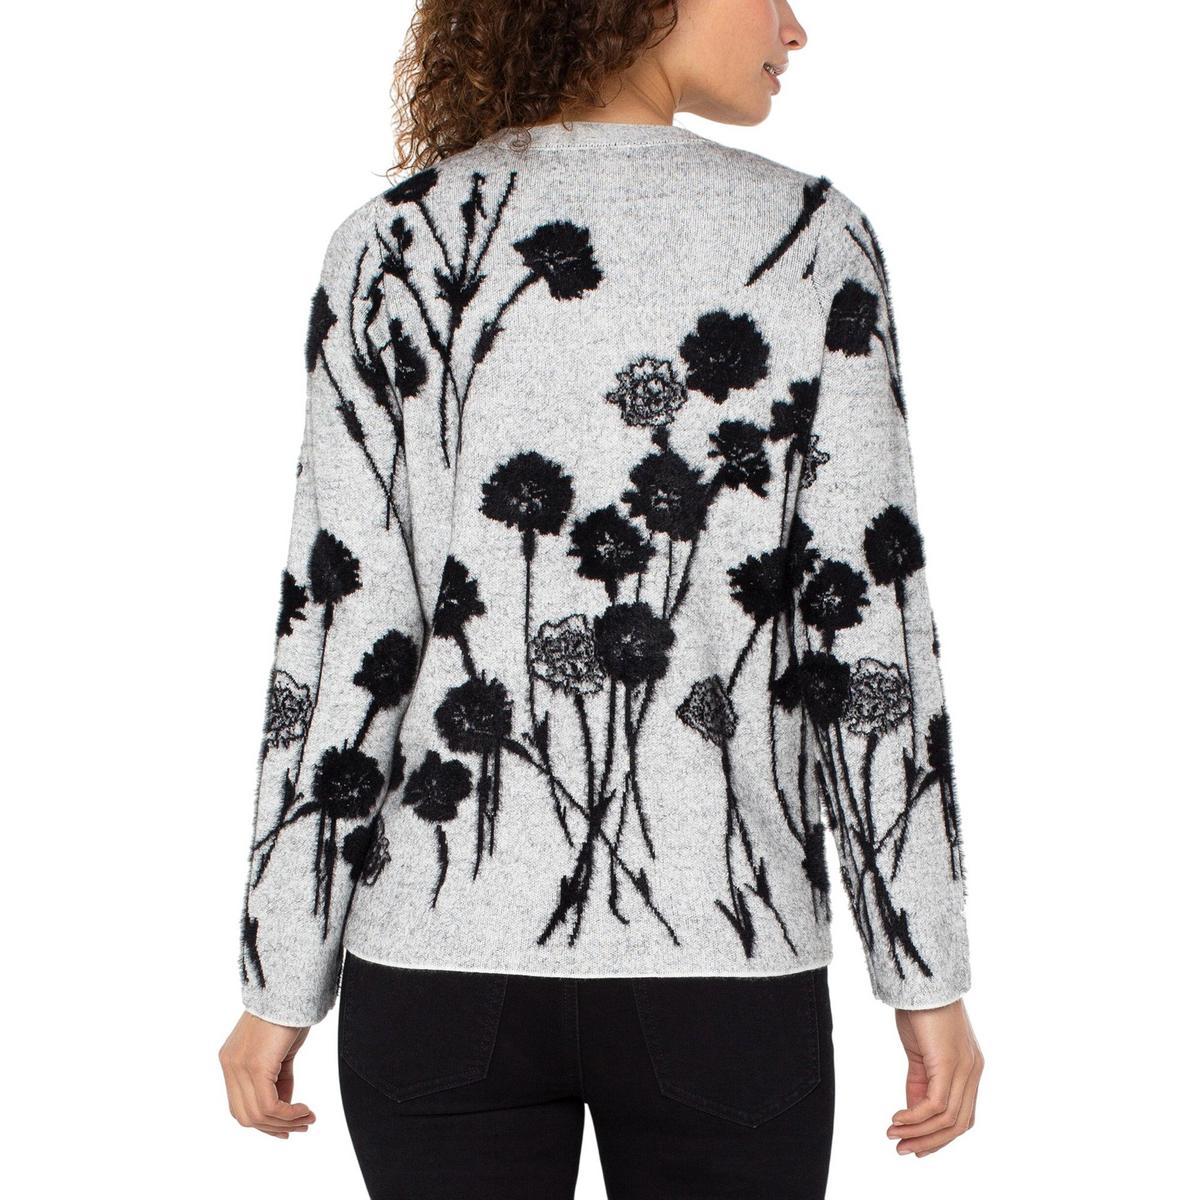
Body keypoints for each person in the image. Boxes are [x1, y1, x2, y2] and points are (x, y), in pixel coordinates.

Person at [218, 2, 984, 1195]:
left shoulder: (392, 246)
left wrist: (281, 968)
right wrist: (922, 967)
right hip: (726, 973)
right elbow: (863, 618)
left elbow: (341, 623)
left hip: (433, 969)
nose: (796, 27)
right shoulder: (810, 239)